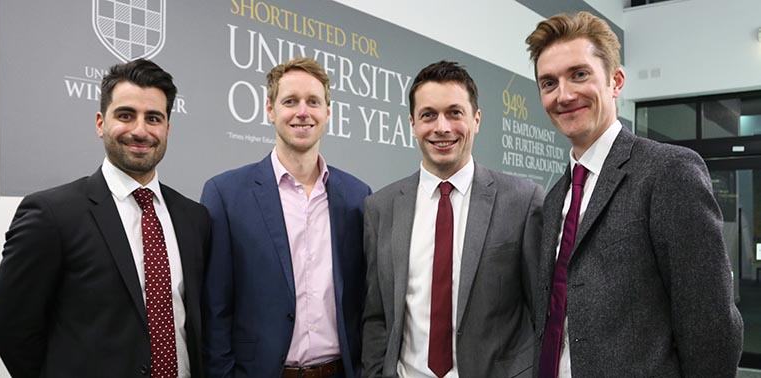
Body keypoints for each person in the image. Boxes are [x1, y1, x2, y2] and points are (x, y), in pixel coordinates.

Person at [525, 11, 743, 378]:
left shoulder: (667, 172)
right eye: (549, 83)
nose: (564, 95)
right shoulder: (555, 197)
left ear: (616, 81)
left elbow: (712, 325)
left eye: (579, 74)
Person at [0, 59, 210, 378]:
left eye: (153, 118)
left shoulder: (194, 218)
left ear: (167, 129)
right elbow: (10, 328)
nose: (140, 130)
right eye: (125, 115)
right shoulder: (51, 214)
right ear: (99, 122)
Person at [362, 60, 544, 378]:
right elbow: (376, 315)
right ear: (412, 124)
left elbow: (543, 312)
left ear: (476, 120)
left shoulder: (523, 201)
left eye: (454, 113)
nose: (442, 127)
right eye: (428, 115)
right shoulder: (382, 206)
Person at [200, 57, 371, 378]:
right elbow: (215, 307)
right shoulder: (226, 194)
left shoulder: (357, 195)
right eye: (290, 101)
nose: (302, 112)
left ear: (328, 113)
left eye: (313, 102)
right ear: (270, 109)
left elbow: (365, 300)